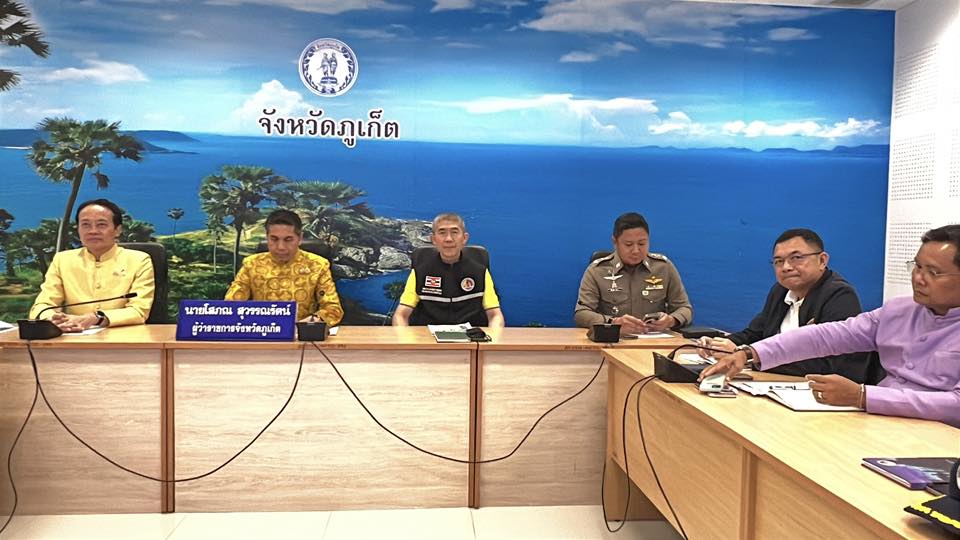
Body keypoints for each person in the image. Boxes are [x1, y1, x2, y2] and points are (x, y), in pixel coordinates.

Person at [700, 224, 960, 428]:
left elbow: (956, 405)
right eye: (917, 267)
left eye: (933, 272)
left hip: (940, 437)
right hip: (882, 423)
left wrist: (863, 396)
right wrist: (749, 353)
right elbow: (825, 336)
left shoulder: (837, 293)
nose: (918, 278)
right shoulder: (898, 311)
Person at [698, 228, 878, 382]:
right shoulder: (780, 291)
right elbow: (755, 333)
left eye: (796, 258)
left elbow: (829, 364)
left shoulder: (839, 295)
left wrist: (750, 357)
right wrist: (720, 345)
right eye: (778, 261)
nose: (786, 267)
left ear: (822, 260)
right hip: (776, 383)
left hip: (820, 394)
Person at [29, 198, 155, 332]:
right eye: (86, 225)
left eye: (101, 225)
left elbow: (138, 311)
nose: (93, 231)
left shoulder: (139, 260)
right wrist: (53, 318)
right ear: (78, 229)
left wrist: (97, 318)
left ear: (117, 230)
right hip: (72, 335)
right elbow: (43, 305)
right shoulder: (62, 260)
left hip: (123, 335)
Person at [575, 212, 692, 334]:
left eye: (642, 244)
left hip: (654, 340)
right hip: (614, 340)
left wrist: (671, 320)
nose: (636, 250)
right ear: (615, 242)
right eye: (628, 244)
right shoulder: (597, 271)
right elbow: (581, 313)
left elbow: (685, 308)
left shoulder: (664, 268)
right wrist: (613, 323)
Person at [225, 209, 343, 324]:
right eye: (274, 239)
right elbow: (231, 306)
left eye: (288, 240)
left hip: (301, 332)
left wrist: (312, 322)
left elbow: (333, 309)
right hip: (262, 331)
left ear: (300, 238)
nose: (281, 247)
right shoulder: (251, 264)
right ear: (267, 238)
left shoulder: (318, 265)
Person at [392, 213, 504, 328]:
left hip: (470, 337)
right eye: (442, 233)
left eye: (454, 232)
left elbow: (495, 315)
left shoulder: (480, 271)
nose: (448, 239)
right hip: (427, 337)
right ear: (434, 239)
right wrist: (404, 338)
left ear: (464, 238)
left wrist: (493, 337)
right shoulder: (420, 272)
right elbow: (401, 315)